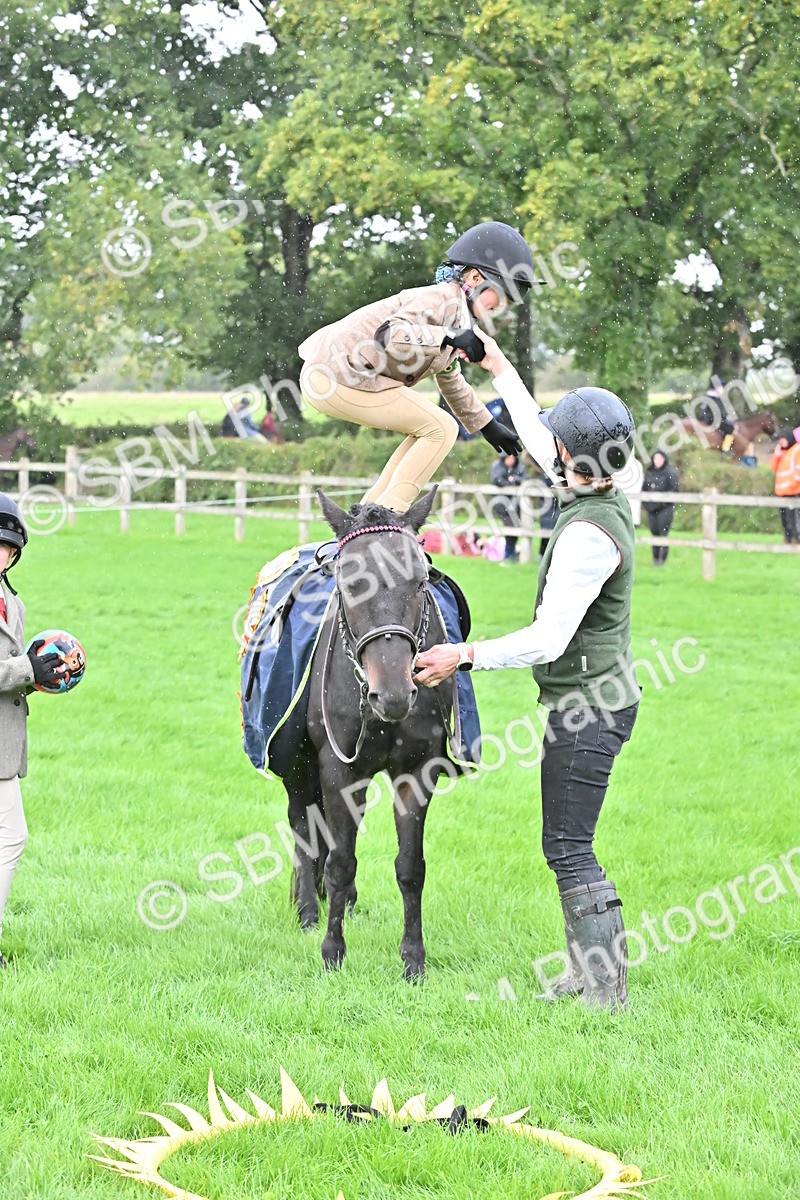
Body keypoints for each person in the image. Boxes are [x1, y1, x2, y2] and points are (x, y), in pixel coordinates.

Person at [414, 331, 641, 1010]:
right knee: (563, 842)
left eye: (559, 443)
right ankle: (585, 975)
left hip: (589, 711)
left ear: (575, 457)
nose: (551, 450)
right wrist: (498, 364)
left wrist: (462, 654)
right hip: (599, 701)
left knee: (569, 847)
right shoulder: (611, 480)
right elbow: (546, 444)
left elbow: (547, 640)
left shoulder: (584, 538)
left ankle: (605, 993)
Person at [297, 221, 540, 512]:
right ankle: (385, 517)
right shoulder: (441, 299)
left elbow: (450, 379)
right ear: (475, 278)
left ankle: (369, 512)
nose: (502, 306)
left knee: (427, 428)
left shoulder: (458, 316)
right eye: (501, 295)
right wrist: (449, 336)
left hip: (334, 379)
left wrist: (487, 425)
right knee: (441, 428)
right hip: (335, 375)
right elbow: (390, 335)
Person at [0, 495, 66, 969]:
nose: (0, 553)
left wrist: (41, 676)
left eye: (6, 547)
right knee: (11, 836)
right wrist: (27, 667)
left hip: (6, 740)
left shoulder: (12, 602)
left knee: (11, 836)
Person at [642, 449, 680, 565]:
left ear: (664, 459)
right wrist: (648, 505)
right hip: (651, 508)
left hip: (665, 508)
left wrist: (662, 503)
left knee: (663, 532)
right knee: (654, 532)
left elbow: (675, 490)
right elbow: (643, 489)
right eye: (655, 458)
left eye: (660, 458)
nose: (657, 461)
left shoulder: (670, 473)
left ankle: (662, 560)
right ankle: (655, 559)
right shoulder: (649, 472)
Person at [490, 452, 527, 562]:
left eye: (513, 457)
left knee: (514, 528)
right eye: (509, 457)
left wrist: (514, 479)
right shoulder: (498, 465)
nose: (511, 460)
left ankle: (510, 554)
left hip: (515, 504)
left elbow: (525, 479)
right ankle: (508, 554)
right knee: (509, 527)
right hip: (502, 504)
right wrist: (510, 482)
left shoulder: (519, 466)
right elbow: (497, 480)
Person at [770, 427, 800, 544]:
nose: (780, 442)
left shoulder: (797, 450)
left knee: (794, 518)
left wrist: (793, 485)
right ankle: (788, 538)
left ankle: (796, 539)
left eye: (782, 439)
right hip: (783, 492)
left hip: (793, 491)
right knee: (785, 519)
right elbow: (774, 466)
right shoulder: (784, 452)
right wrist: (777, 454)